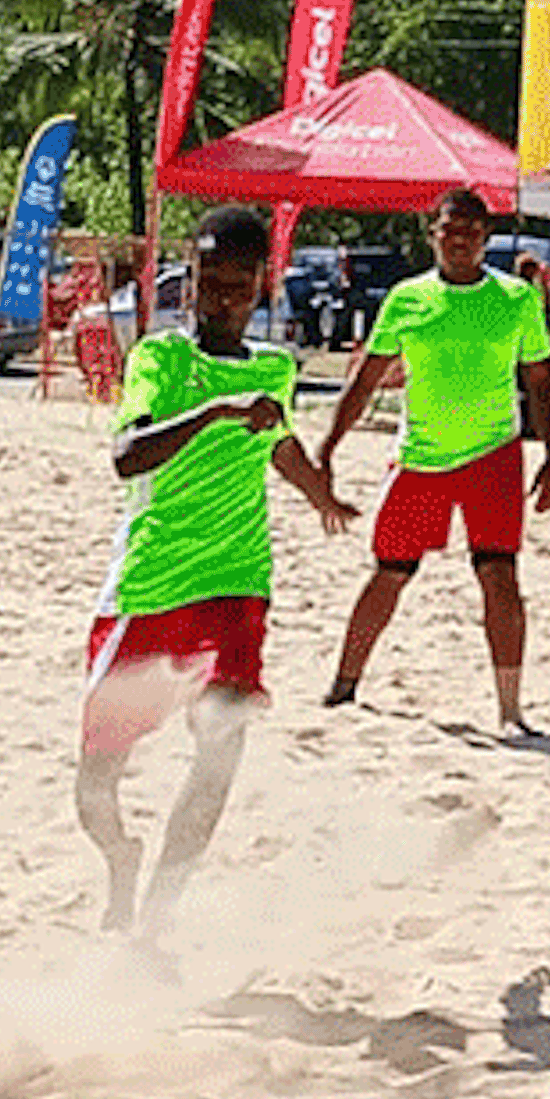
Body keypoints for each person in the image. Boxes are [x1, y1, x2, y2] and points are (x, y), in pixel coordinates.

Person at [76, 206, 356, 936]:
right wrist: (214, 411)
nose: (224, 298)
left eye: (239, 284)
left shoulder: (275, 368)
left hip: (237, 586)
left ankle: (161, 914)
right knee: (95, 788)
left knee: (221, 745)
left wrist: (318, 489)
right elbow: (126, 456)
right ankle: (121, 860)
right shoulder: (162, 361)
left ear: (263, 285)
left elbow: (279, 442)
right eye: (211, 282)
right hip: (148, 587)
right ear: (190, 281)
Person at [314, 186, 550, 732]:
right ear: (432, 235)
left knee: (500, 577)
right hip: (421, 456)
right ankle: (343, 685)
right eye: (449, 230)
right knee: (389, 574)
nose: (459, 241)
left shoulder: (517, 299)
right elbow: (365, 379)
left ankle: (510, 710)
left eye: (471, 232)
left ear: (486, 240)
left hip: (494, 453)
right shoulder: (407, 298)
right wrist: (328, 446)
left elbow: (540, 381)